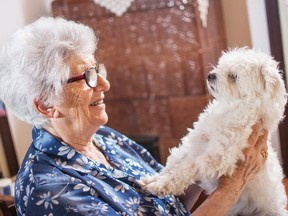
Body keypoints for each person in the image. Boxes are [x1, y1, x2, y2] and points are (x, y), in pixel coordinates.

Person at [0, 16, 268, 216]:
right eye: (87, 77)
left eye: (98, 69)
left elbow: (169, 202)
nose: (105, 84)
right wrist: (228, 191)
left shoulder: (103, 138)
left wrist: (209, 159)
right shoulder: (49, 189)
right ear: (47, 106)